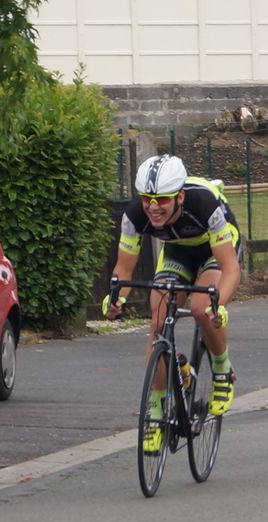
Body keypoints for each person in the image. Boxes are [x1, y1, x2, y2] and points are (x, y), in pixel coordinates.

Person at [103, 154, 241, 453]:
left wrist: (221, 306)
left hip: (214, 250)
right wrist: (118, 298)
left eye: (162, 200)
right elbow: (123, 269)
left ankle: (222, 370)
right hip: (178, 252)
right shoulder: (134, 215)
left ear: (179, 196)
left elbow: (231, 269)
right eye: (147, 199)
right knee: (157, 323)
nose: (153, 207)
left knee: (201, 308)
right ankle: (155, 414)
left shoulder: (204, 204)